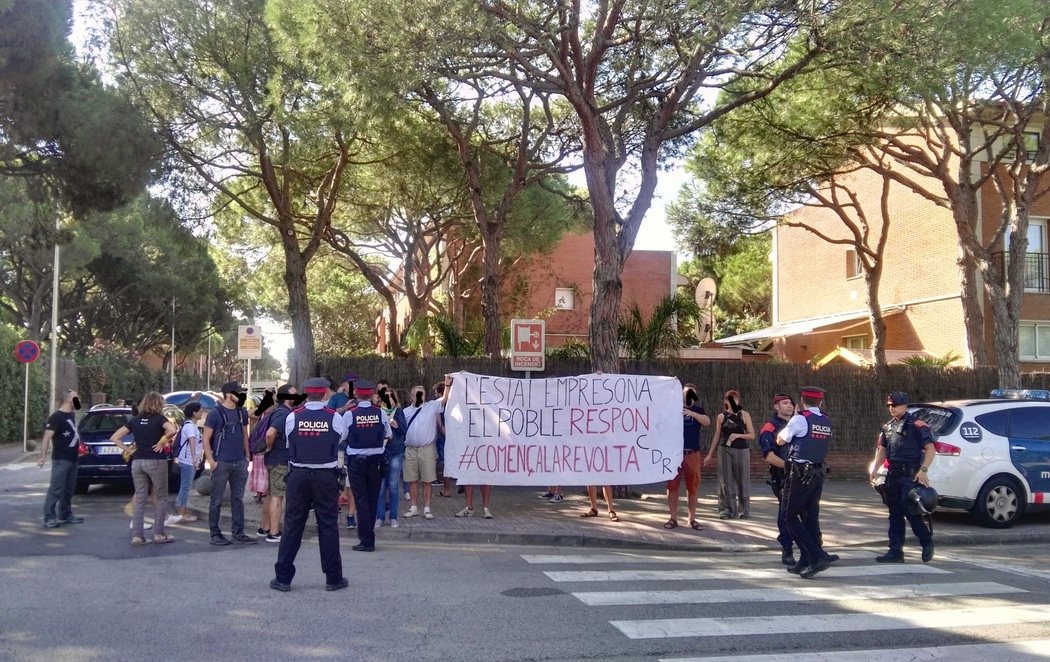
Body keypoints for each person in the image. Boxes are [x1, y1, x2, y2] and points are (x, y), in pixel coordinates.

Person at [271, 377, 349, 592]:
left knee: (293, 525)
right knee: (328, 526)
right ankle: (333, 578)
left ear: (306, 394)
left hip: (298, 475)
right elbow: (341, 438)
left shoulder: (292, 417)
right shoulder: (334, 418)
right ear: (325, 394)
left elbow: (289, 441)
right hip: (326, 476)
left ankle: (283, 579)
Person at [776, 386, 837, 579]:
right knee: (809, 517)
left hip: (799, 474)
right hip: (817, 474)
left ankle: (817, 556)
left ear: (802, 401)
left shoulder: (800, 419)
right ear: (820, 402)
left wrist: (794, 419)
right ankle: (806, 559)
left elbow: (780, 440)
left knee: (788, 516)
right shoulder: (826, 421)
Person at [871, 390, 936, 563]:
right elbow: (882, 450)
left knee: (911, 513)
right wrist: (875, 468)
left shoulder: (918, 425)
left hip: (910, 476)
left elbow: (931, 449)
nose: (892, 408)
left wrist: (923, 470)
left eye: (895, 405)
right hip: (892, 476)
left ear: (905, 405)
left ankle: (926, 542)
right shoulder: (888, 427)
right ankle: (895, 552)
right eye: (890, 405)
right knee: (894, 514)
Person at [111, 392, 179, 545]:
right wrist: (162, 441)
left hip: (137, 461)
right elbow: (172, 430)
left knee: (140, 498)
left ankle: (137, 536)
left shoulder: (135, 420)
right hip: (155, 461)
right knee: (161, 497)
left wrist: (129, 451)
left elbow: (115, 437)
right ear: (158, 404)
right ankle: (159, 533)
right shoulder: (160, 419)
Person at [202, 380, 256, 546]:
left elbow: (244, 435)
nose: (241, 395)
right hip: (222, 461)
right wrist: (211, 460)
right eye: (238, 392)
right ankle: (215, 534)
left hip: (239, 461)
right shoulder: (215, 414)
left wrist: (247, 456)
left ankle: (238, 533)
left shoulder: (242, 413)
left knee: (238, 499)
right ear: (228, 394)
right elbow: (206, 438)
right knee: (216, 499)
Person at [758, 393, 810, 565]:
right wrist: (790, 468)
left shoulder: (799, 423)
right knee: (786, 515)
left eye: (790, 403)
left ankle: (811, 549)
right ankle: (787, 550)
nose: (789, 406)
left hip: (803, 477)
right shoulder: (770, 427)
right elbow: (769, 457)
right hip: (783, 478)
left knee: (807, 513)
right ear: (776, 407)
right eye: (784, 403)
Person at [344, 379, 391, 552]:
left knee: (361, 500)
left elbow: (342, 436)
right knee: (372, 499)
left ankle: (366, 540)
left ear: (356, 393)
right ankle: (368, 537)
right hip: (376, 461)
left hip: (356, 461)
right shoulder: (380, 413)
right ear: (372, 394)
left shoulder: (350, 414)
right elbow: (389, 434)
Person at [401, 377, 452, 520]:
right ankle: (413, 507)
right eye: (416, 394)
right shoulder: (405, 412)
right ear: (411, 396)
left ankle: (427, 508)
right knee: (412, 480)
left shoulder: (431, 406)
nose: (419, 396)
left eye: (421, 393)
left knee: (428, 480)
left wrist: (447, 385)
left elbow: (444, 399)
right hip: (410, 449)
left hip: (427, 449)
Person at [260, 384, 302, 543]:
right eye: (293, 394)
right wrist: (269, 447)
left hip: (273, 458)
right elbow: (270, 433)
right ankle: (274, 532)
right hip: (279, 459)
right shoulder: (283, 414)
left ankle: (264, 528)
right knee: (277, 496)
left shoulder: (278, 411)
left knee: (270, 494)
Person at [666, 383, 710, 530]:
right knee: (672, 486)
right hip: (675, 454)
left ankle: (692, 519)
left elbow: (707, 422)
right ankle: (673, 518)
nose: (688, 395)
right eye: (685, 393)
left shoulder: (698, 410)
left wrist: (693, 414)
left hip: (692, 453)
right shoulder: (673, 409)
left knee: (692, 488)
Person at [705, 389, 755, 519]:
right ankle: (727, 510)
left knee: (743, 479)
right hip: (724, 449)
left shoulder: (744, 415)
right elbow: (717, 436)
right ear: (726, 401)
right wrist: (710, 454)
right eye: (730, 399)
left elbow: (752, 435)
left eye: (735, 399)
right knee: (725, 481)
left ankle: (744, 510)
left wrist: (737, 435)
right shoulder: (721, 417)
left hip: (742, 450)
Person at [38, 390, 84, 529]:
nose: (78, 400)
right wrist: (43, 456)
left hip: (73, 457)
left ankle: (65, 513)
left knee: (69, 489)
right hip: (61, 458)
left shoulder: (72, 414)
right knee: (56, 488)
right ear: (69, 399)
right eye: (76, 398)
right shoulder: (56, 417)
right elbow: (47, 437)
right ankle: (49, 517)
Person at [375, 383, 407, 528]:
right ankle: (380, 517)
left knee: (393, 486)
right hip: (381, 452)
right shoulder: (378, 412)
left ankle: (393, 517)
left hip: (395, 452)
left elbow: (404, 430)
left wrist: (395, 425)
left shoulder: (398, 412)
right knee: (381, 487)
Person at [170, 402, 204, 525]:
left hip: (189, 460)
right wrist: (195, 459)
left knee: (186, 486)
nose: (202, 413)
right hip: (188, 461)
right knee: (185, 486)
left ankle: (182, 510)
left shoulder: (191, 425)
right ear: (194, 413)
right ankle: (182, 512)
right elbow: (192, 442)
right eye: (200, 411)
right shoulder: (190, 426)